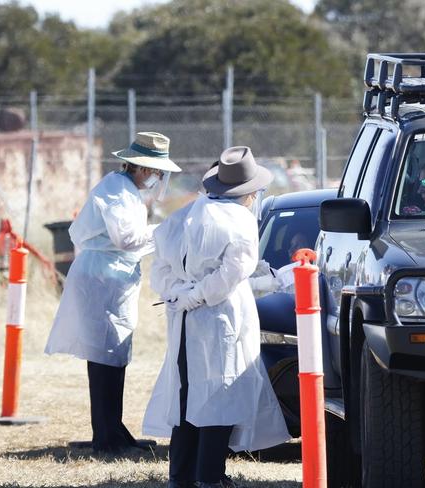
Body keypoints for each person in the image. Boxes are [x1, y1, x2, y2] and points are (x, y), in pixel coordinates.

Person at [143, 146, 290, 488]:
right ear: (250, 192)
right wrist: (196, 296)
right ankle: (209, 476)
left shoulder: (183, 215)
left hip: (182, 320)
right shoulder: (240, 220)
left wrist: (179, 295)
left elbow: (159, 272)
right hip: (219, 318)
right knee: (219, 396)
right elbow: (233, 273)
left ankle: (181, 476)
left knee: (186, 395)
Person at [44, 132, 182, 454]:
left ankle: (114, 431)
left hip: (110, 278)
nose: (158, 179)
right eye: (158, 173)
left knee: (113, 358)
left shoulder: (124, 188)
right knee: (105, 359)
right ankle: (106, 438)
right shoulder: (117, 191)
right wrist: (165, 232)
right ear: (145, 169)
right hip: (101, 280)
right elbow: (127, 239)